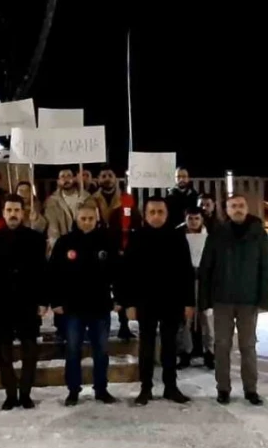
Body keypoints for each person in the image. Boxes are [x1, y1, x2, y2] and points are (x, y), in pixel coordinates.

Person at [198, 195, 268, 406]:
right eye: (233, 206)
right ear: (227, 210)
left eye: (241, 205)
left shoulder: (258, 234)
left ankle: (251, 389)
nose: (238, 209)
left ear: (247, 207)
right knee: (222, 346)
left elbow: (267, 267)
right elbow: (206, 268)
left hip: (248, 300)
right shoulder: (217, 234)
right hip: (222, 299)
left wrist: (265, 298)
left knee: (248, 346)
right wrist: (204, 301)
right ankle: (223, 388)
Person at [121, 196, 195, 406]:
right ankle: (146, 388)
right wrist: (129, 303)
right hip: (145, 301)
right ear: (145, 215)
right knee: (146, 346)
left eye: (160, 212)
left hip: (172, 301)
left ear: (167, 214)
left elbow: (186, 272)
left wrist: (189, 302)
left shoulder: (177, 238)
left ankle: (171, 387)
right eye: (152, 212)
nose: (156, 216)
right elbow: (127, 273)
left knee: (170, 346)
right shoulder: (136, 238)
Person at [0, 194, 47, 410]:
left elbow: (42, 272)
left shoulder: (35, 239)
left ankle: (25, 393)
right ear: (3, 212)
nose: (13, 214)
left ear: (23, 212)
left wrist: (43, 300)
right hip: (1, 303)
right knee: (4, 353)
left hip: (27, 302)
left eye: (17, 210)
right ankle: (10, 393)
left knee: (30, 351)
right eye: (9, 210)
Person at [48, 202, 119, 406]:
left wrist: (120, 298)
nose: (87, 222)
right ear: (76, 220)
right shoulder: (64, 243)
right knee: (72, 350)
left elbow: (118, 272)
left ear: (96, 219)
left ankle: (101, 389)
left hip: (100, 306)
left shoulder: (107, 241)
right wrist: (56, 301)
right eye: (83, 218)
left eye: (90, 218)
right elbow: (54, 274)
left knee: (101, 350)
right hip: (72, 308)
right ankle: (73, 390)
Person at [93, 168, 141, 340]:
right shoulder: (92, 199)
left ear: (116, 179)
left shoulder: (126, 200)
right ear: (98, 179)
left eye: (110, 176)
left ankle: (124, 324)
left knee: (123, 288)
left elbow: (135, 221)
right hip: (101, 248)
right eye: (103, 176)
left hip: (122, 249)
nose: (107, 179)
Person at [177, 207, 213, 370]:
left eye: (196, 218)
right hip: (185, 281)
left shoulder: (210, 236)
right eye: (190, 218)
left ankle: (209, 353)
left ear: (202, 219)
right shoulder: (178, 236)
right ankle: (185, 352)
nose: (193, 222)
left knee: (207, 318)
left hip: (206, 281)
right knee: (186, 319)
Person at [43, 168, 84, 250]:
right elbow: (52, 228)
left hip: (83, 243)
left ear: (74, 178)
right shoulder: (52, 202)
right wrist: (57, 246)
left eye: (69, 176)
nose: (66, 179)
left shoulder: (85, 198)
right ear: (58, 181)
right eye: (62, 176)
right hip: (63, 244)